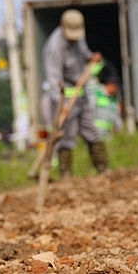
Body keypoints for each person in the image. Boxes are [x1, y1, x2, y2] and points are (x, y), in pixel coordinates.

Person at [42, 9, 109, 176]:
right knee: (66, 136)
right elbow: (53, 78)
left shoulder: (78, 36)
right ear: (62, 27)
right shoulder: (54, 47)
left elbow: (83, 52)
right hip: (65, 100)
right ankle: (65, 175)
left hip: (81, 94)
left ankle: (102, 169)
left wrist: (91, 57)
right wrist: (61, 104)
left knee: (90, 131)